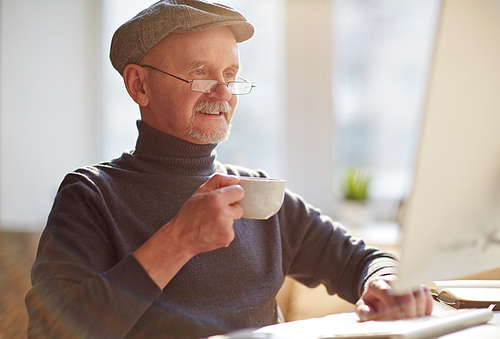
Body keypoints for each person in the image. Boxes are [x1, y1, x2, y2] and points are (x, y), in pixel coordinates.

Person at [25, 1, 433, 338]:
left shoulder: (256, 191)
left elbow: (362, 260)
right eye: (200, 72)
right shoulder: (92, 195)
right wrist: (178, 241)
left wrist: (384, 280)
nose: (222, 92)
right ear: (139, 86)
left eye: (230, 75)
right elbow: (50, 331)